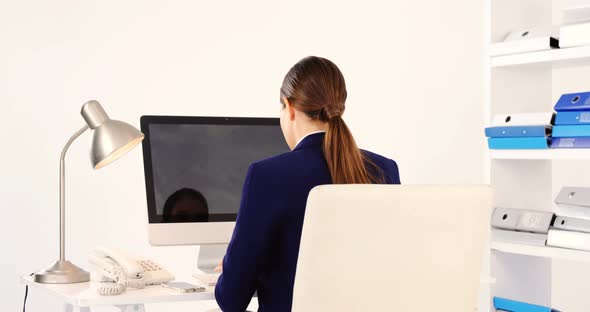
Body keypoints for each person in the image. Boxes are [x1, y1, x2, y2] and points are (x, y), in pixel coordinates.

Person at [215, 56, 401, 312]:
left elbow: (231, 300)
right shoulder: (384, 170)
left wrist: (233, 265)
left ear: (289, 107)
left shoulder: (266, 175)